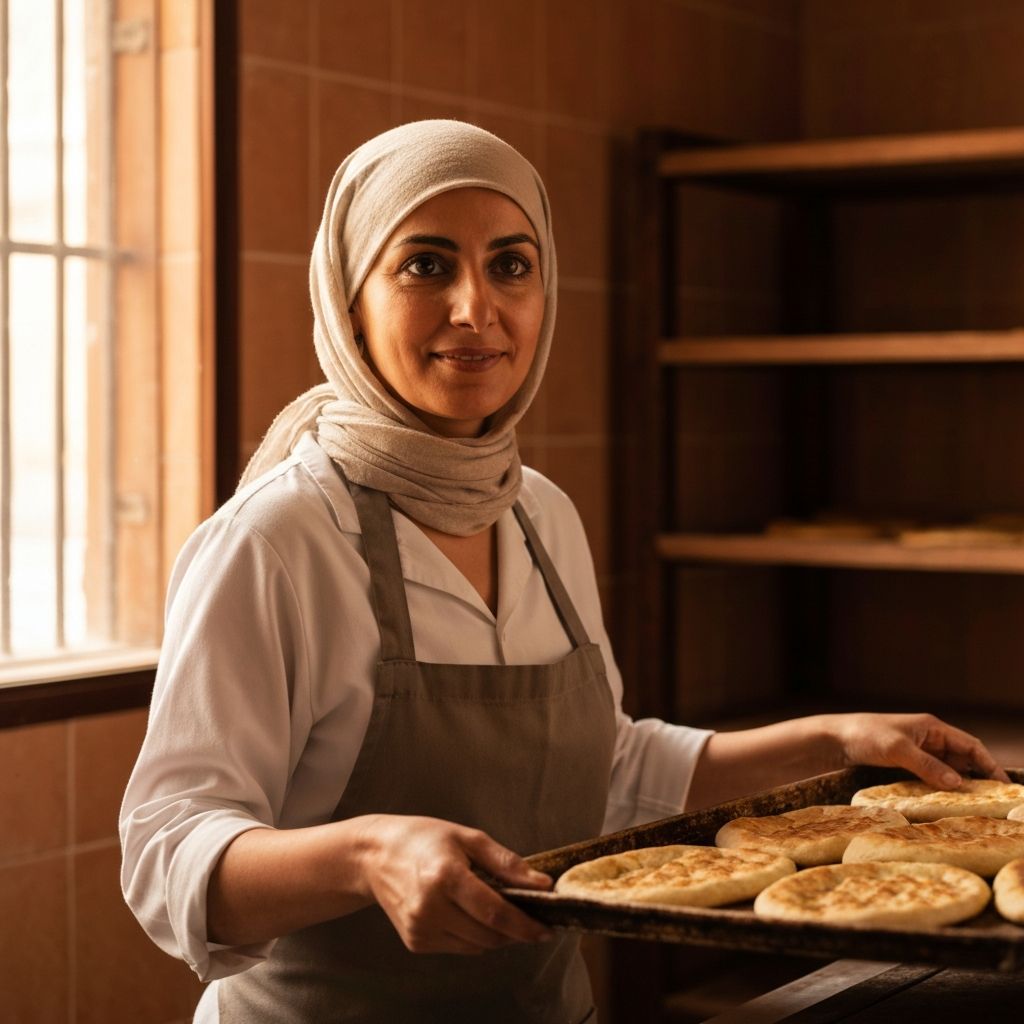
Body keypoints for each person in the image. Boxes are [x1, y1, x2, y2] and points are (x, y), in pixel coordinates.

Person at [120, 120, 1009, 1024]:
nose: (476, 308)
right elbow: (165, 856)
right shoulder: (278, 540)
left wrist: (836, 743)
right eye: (425, 265)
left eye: (512, 265)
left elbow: (604, 768)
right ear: (348, 301)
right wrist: (365, 856)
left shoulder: (538, 513)